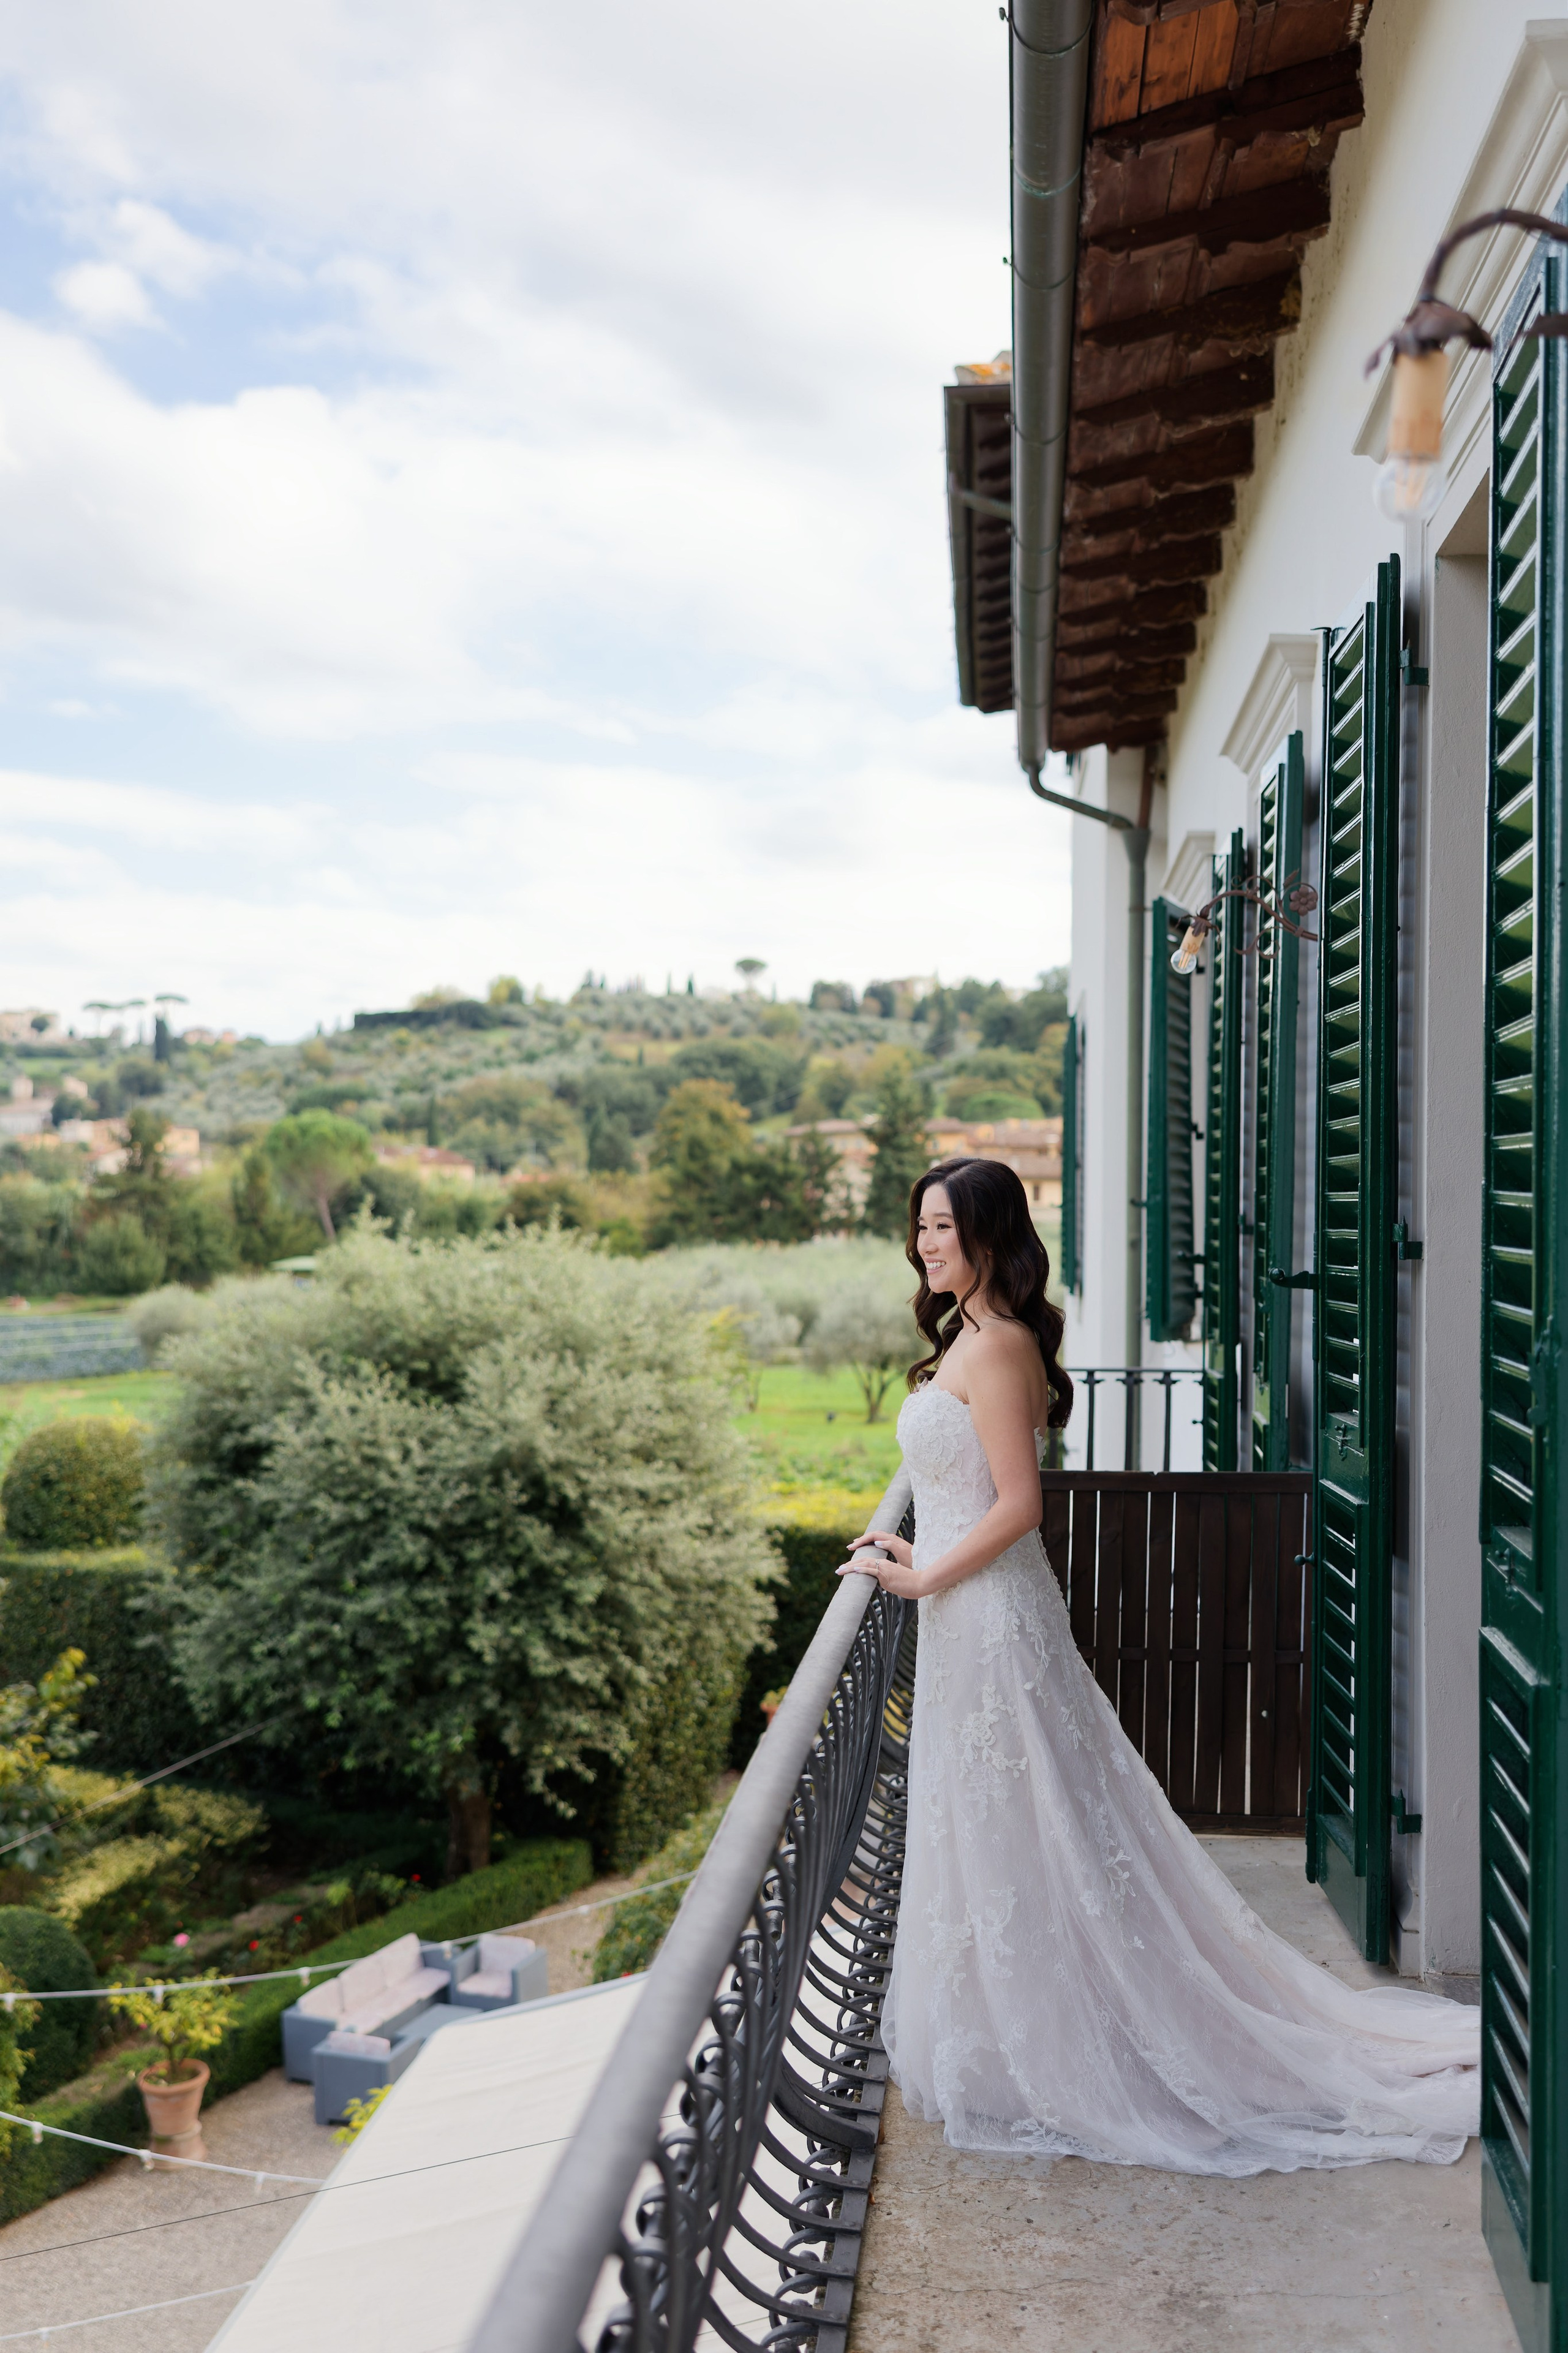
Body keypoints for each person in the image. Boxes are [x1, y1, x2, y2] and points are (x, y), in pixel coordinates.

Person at [837, 1155, 1479, 2175]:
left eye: (944, 1229)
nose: (926, 1245)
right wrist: (915, 1553)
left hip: (996, 1620)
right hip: (964, 1609)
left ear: (992, 1235)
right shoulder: (965, 1333)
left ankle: (1083, 2041)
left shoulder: (998, 1345)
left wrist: (923, 1582)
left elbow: (1019, 1507)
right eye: (920, 1229)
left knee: (1033, 1825)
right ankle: (1008, 2034)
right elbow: (963, 1500)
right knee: (993, 1825)